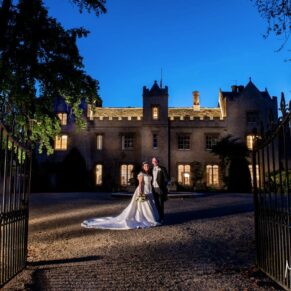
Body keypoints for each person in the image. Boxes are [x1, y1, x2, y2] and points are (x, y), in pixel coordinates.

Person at [81, 162, 160, 229]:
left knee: (150, 205)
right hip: (143, 190)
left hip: (149, 191)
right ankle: (146, 219)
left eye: (147, 166)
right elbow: (140, 184)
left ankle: (150, 218)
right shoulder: (141, 174)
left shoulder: (148, 174)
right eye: (145, 166)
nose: (146, 167)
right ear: (143, 167)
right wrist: (141, 193)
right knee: (143, 205)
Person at [151, 157, 169, 223]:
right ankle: (156, 217)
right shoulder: (151, 169)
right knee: (155, 204)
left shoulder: (162, 168)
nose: (155, 162)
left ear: (158, 161)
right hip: (152, 189)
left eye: (156, 161)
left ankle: (161, 218)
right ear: (152, 162)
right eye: (153, 161)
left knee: (161, 204)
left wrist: (163, 186)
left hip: (159, 188)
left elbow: (167, 178)